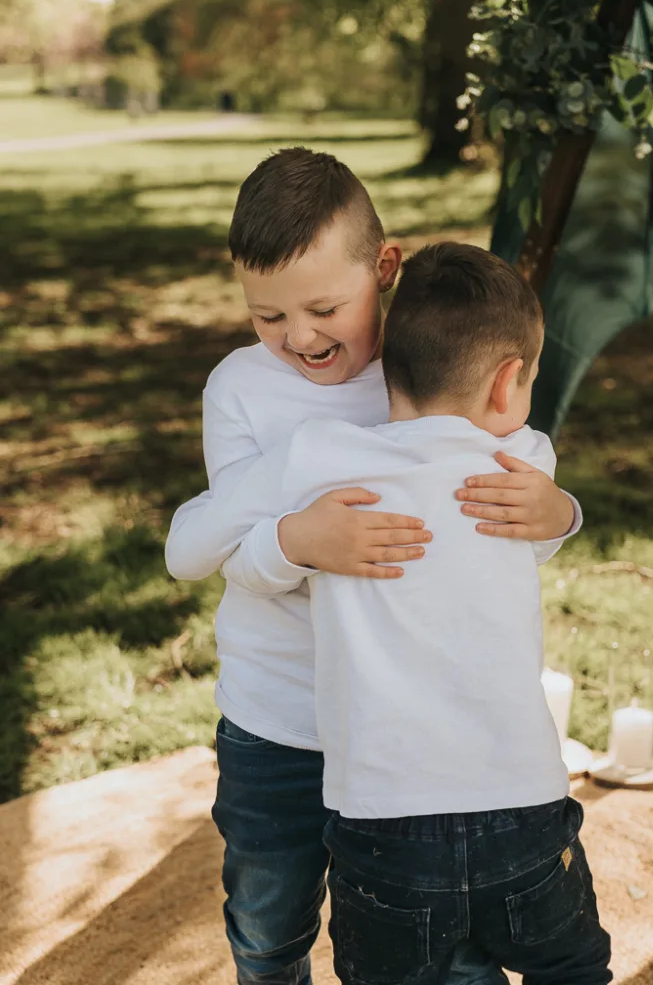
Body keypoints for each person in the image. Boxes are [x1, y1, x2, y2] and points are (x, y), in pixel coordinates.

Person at [165, 151, 583, 985]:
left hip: (405, 731)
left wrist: (561, 514)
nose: (300, 338)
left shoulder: (431, 368)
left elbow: (500, 522)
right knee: (269, 908)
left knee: (412, 925)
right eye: (266, 316)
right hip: (278, 718)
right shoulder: (242, 391)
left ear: (384, 270)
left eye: (324, 307)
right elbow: (217, 552)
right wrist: (295, 541)